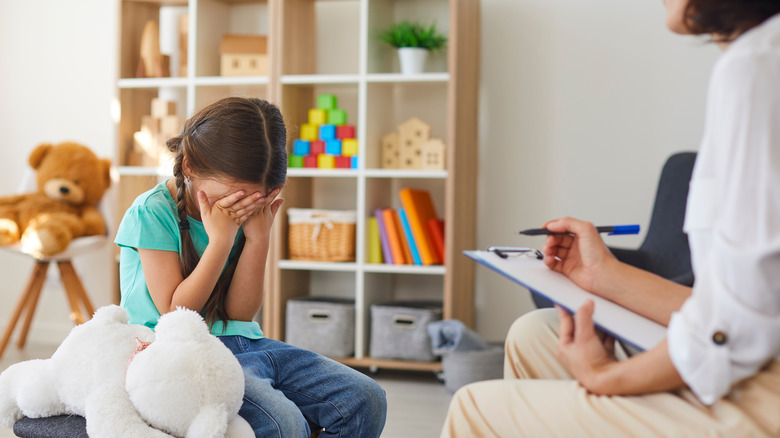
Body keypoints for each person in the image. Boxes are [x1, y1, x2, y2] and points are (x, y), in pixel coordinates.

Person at [441, 0, 780, 436]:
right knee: (536, 332)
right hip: (758, 348)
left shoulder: (756, 65)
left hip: (764, 387)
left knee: (476, 406)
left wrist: (605, 377)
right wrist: (605, 275)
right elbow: (754, 302)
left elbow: (733, 330)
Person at [115, 96, 387, 437]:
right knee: (284, 423)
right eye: (233, 196)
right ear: (190, 169)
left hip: (244, 344)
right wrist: (221, 242)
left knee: (365, 398)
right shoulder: (152, 212)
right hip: (176, 353)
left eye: (253, 199)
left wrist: (258, 240)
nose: (240, 206)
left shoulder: (244, 211)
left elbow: (241, 315)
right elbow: (175, 313)